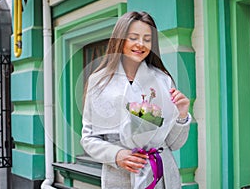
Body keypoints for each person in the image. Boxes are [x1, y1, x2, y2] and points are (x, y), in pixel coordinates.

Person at [81, 11, 191, 189]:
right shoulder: (99, 82)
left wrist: (182, 115)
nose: (141, 44)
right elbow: (88, 139)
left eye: (147, 39)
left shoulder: (162, 80)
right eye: (133, 37)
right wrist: (117, 155)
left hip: (162, 177)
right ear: (120, 39)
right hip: (119, 177)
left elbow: (174, 143)